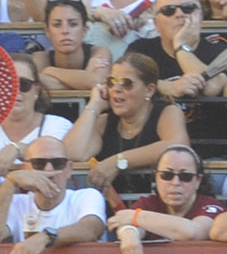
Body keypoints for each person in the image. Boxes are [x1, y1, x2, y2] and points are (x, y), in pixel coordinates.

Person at [68, 53, 189, 209]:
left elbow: (178, 145)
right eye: (111, 82)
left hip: (156, 213)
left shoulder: (167, 112)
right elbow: (73, 154)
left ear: (149, 90)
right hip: (112, 215)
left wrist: (117, 162)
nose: (116, 89)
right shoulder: (104, 122)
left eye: (126, 83)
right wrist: (94, 105)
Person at [0, 145, 107, 254]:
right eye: (39, 163)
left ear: (69, 169)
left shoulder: (86, 196)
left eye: (58, 163)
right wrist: (10, 183)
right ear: (25, 168)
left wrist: (45, 237)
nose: (48, 170)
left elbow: (91, 229)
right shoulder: (17, 202)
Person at [0, 57, 74, 173]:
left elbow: (63, 156)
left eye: (24, 84)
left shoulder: (57, 125)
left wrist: (18, 149)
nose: (15, 91)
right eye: (8, 84)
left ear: (36, 91)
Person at [110, 141, 227, 254]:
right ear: (156, 177)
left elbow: (192, 233)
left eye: (185, 176)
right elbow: (129, 226)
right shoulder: (148, 204)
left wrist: (135, 216)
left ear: (198, 181)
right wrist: (129, 233)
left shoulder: (212, 206)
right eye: (167, 175)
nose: (175, 183)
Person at [31, 0, 112, 95]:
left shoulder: (100, 52)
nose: (65, 31)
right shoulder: (41, 57)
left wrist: (50, 71)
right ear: (47, 31)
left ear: (85, 30)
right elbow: (34, 84)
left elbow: (97, 81)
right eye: (57, 25)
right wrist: (85, 78)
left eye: (73, 24)